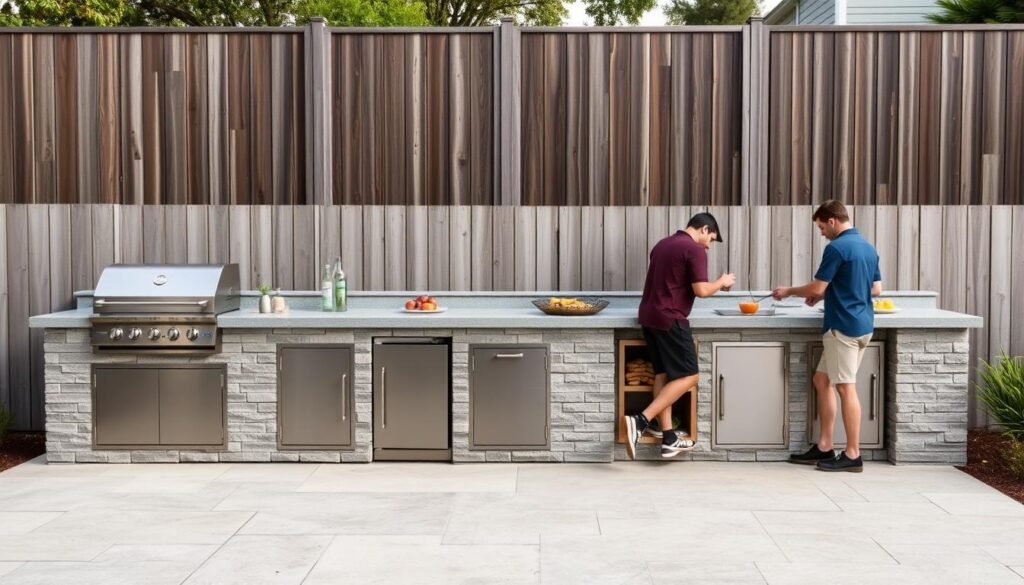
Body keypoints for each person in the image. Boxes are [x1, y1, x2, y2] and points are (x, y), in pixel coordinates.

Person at [772, 200, 881, 473]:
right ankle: (824, 446)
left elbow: (819, 285)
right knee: (822, 380)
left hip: (843, 328)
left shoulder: (837, 247)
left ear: (832, 221)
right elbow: (875, 289)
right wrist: (831, 293)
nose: (821, 233)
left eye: (822, 227)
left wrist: (788, 291)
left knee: (845, 388)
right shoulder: (868, 247)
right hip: (863, 324)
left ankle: (853, 454)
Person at [624, 213, 735, 459]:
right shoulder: (694, 249)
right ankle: (641, 420)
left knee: (664, 374)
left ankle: (669, 437)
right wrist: (722, 281)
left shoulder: (662, 244)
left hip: (649, 317)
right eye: (711, 239)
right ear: (704, 229)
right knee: (690, 376)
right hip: (671, 318)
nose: (709, 245)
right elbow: (702, 290)